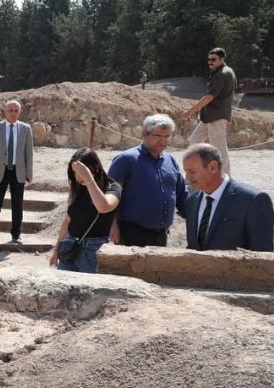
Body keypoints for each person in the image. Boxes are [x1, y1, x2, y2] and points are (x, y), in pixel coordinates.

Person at [108, 113, 188, 246]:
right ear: (145, 134)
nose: (163, 140)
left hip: (161, 236)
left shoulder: (171, 161)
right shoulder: (126, 160)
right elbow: (108, 194)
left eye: (167, 136)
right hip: (131, 234)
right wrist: (111, 224)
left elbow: (181, 194)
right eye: (158, 136)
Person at [182, 143, 273, 252]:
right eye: (186, 172)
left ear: (213, 167)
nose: (187, 177)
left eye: (192, 172)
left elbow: (263, 254)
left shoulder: (252, 200)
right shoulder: (192, 201)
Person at [49, 148, 121, 273]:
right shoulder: (79, 188)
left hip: (94, 250)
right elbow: (68, 221)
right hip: (70, 248)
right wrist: (56, 251)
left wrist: (87, 177)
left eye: (81, 172)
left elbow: (104, 207)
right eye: (75, 173)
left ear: (96, 168)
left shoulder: (112, 187)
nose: (77, 177)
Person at [181, 47, 236, 175]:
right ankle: (197, 172)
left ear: (222, 59)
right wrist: (228, 116)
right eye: (209, 59)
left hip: (216, 117)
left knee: (219, 148)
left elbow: (210, 97)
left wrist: (190, 111)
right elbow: (228, 96)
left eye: (213, 59)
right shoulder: (222, 72)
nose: (210, 62)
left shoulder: (222, 73)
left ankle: (225, 178)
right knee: (194, 141)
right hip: (210, 117)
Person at [0, 99, 34, 245]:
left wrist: (29, 172)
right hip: (0, 171)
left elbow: (29, 153)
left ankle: (16, 235)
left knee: (17, 205)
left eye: (16, 111)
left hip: (18, 172)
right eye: (10, 110)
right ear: (5, 111)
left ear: (19, 112)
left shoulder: (26, 129)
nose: (13, 113)